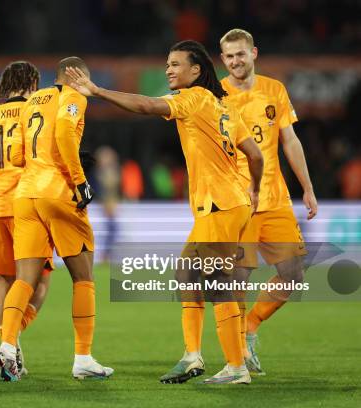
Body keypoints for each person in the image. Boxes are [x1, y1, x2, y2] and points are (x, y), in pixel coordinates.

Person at [66, 40, 264, 385]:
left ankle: (236, 368)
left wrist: (97, 90)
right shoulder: (223, 106)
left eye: (175, 64)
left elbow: (145, 105)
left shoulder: (193, 98)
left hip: (220, 205)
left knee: (217, 284)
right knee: (187, 274)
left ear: (196, 70)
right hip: (231, 203)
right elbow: (256, 155)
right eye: (167, 64)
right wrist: (256, 188)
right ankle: (192, 357)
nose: (169, 69)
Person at [0, 56, 113, 381]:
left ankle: (7, 344)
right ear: (77, 77)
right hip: (58, 192)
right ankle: (83, 358)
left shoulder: (33, 99)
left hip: (25, 195)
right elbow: (62, 132)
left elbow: (18, 153)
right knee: (84, 277)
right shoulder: (73, 97)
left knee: (24, 279)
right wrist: (79, 180)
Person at [219, 28, 317, 375]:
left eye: (240, 54)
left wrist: (306, 186)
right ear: (222, 59)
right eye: (229, 56)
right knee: (238, 279)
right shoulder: (216, 95)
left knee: (292, 276)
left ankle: (250, 328)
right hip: (239, 202)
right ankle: (237, 353)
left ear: (254, 53)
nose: (235, 61)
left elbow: (289, 141)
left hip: (275, 199)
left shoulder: (275, 89)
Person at [0, 61, 52, 375]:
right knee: (38, 283)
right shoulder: (33, 112)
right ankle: (10, 344)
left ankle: (9, 348)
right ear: (31, 83)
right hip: (26, 205)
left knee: (5, 283)